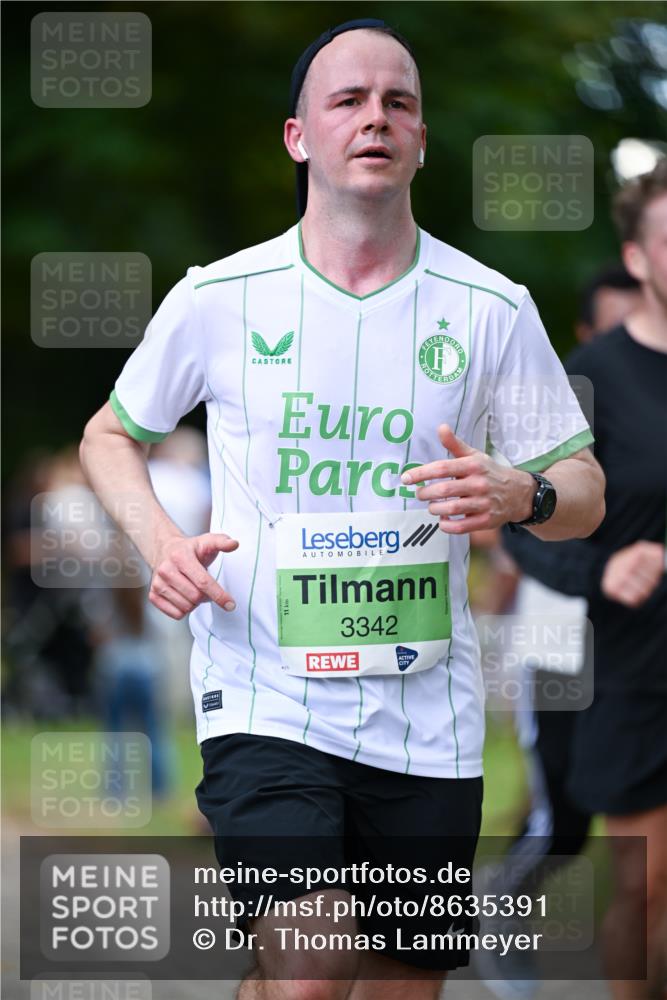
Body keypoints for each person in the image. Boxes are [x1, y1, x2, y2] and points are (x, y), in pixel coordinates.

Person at [79, 19, 604, 999]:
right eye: (349, 100)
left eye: (398, 102)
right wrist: (161, 543)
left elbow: (583, 493)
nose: (375, 118)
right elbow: (109, 435)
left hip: (428, 716)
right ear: (298, 136)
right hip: (265, 693)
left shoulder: (491, 308)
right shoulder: (218, 297)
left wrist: (521, 492)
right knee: (313, 964)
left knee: (401, 985)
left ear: (420, 139)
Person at [498, 160, 667, 999]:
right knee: (650, 889)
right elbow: (518, 523)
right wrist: (604, 569)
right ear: (635, 258)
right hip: (635, 673)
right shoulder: (587, 377)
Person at [472, 263, 641, 1000]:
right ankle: (501, 907)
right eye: (614, 326)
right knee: (564, 820)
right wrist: (598, 577)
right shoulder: (553, 405)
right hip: (559, 646)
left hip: (641, 650)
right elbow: (513, 533)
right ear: (584, 334)